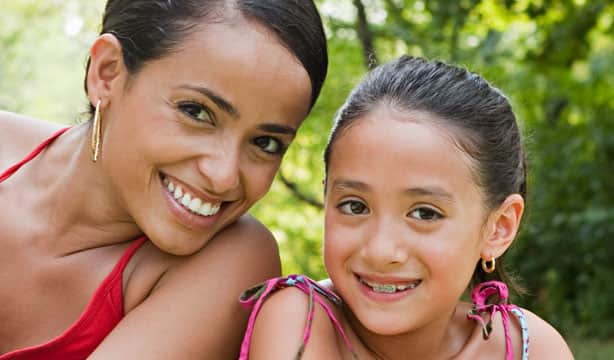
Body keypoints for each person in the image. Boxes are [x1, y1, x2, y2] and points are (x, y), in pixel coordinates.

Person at [0, 0, 327, 358]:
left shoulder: (235, 259)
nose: (223, 176)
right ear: (107, 73)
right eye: (197, 112)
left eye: (265, 143)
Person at [239, 56, 574, 359]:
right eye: (355, 206)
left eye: (425, 213)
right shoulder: (300, 321)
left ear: (498, 227)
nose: (381, 250)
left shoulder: (531, 347)